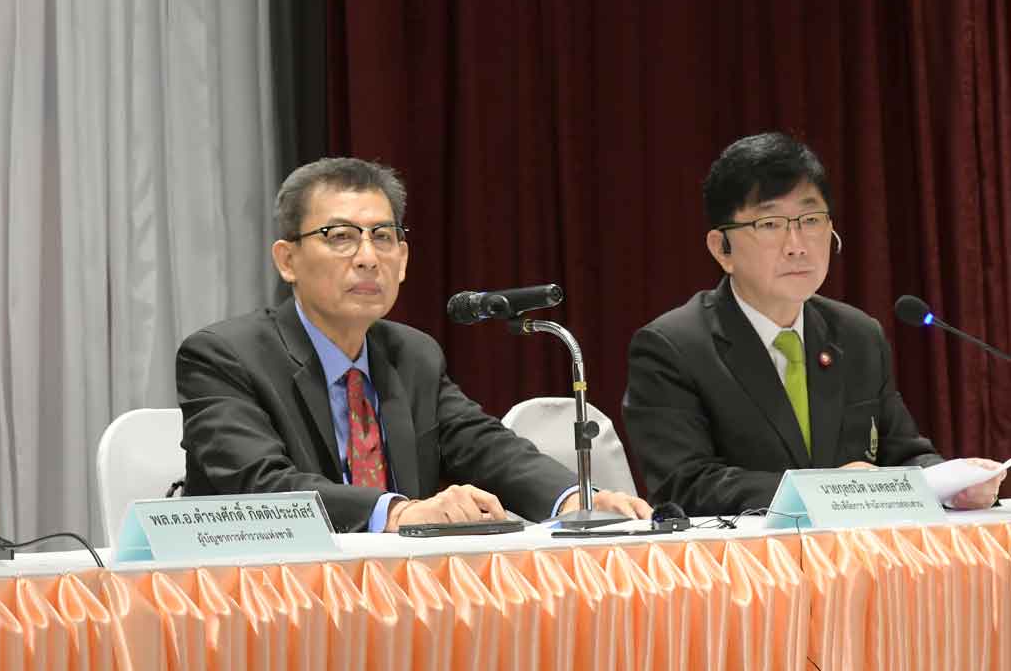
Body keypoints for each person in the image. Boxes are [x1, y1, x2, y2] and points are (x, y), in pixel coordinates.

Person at [177, 157, 651, 532]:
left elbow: (482, 445)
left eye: (384, 237)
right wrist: (397, 513)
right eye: (339, 236)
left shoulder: (412, 353)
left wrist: (575, 499)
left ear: (402, 260)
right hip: (272, 602)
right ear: (287, 260)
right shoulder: (224, 356)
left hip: (403, 599)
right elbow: (259, 487)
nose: (367, 257)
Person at [622, 131, 1004, 516]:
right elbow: (688, 485)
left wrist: (950, 483)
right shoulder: (672, 347)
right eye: (770, 224)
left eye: (810, 220)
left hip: (858, 565)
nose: (797, 244)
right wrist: (831, 490)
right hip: (747, 567)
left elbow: (904, 453)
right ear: (722, 248)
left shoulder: (858, 335)